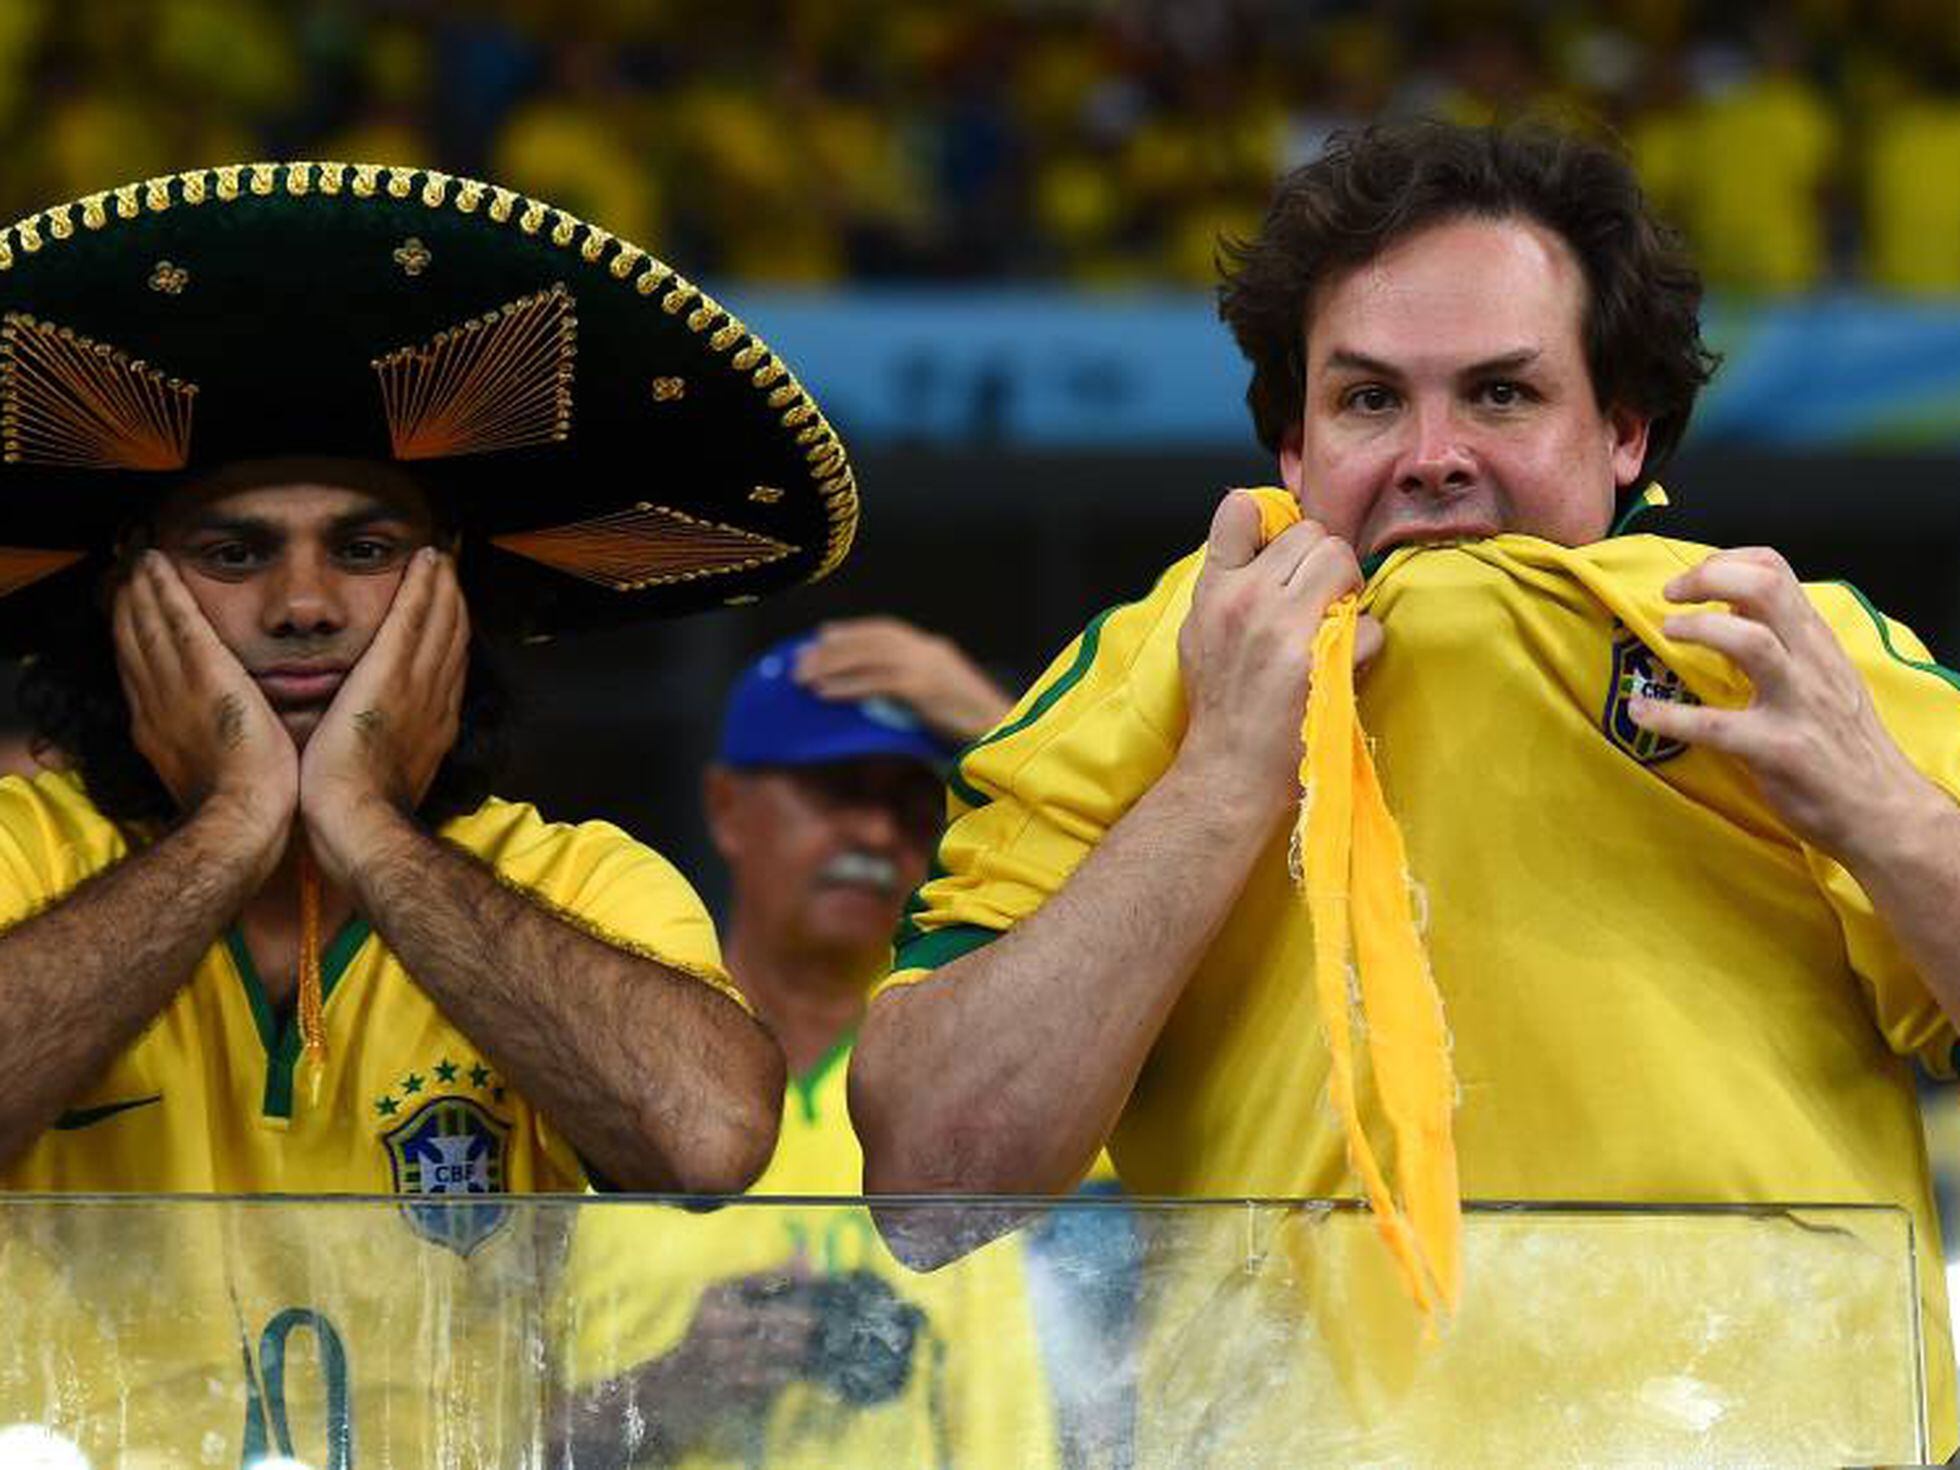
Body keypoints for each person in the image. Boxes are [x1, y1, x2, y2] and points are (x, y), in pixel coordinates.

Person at [849, 120, 1960, 1457]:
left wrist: (1880, 807)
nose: (1432, 453)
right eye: (1371, 399)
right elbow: (932, 1175)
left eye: (1501, 394)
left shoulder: (1778, 643)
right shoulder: (1157, 664)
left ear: (1622, 430)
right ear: (1293, 451)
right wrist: (1220, 779)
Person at [0, 157, 857, 1464]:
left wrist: (364, 825)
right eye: (233, 553)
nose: (306, 605)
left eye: (366, 548)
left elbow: (707, 1133)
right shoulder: (24, 848)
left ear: (454, 603)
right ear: (127, 602)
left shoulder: (572, 876)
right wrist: (231, 828)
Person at [555, 620, 1082, 1468]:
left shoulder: (967, 1072)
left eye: (912, 806)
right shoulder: (617, 1067)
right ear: (727, 806)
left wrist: (999, 728)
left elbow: (1125, 910)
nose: (876, 835)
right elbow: (474, 1425)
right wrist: (676, 1386)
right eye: (837, 793)